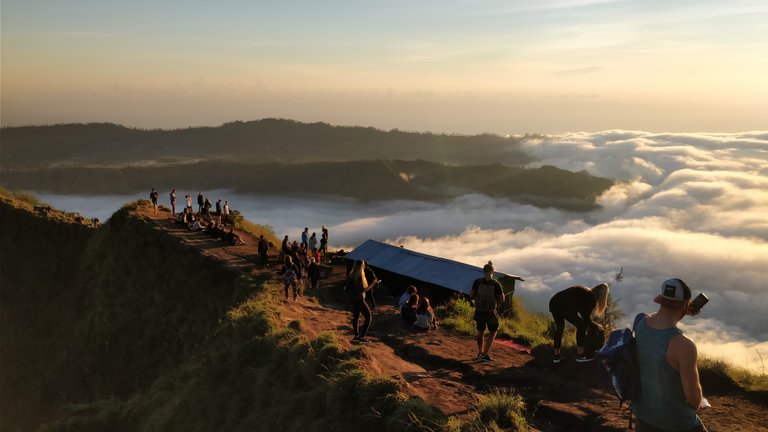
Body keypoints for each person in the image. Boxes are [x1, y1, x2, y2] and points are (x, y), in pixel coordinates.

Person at [633, 279, 708, 432]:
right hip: (676, 423)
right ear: (686, 304)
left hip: (644, 418)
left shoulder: (639, 322)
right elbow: (694, 399)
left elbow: (657, 320)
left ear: (661, 300)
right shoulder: (684, 345)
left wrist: (682, 311)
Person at [549, 283, 609, 363]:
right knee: (582, 326)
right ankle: (580, 355)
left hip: (554, 302)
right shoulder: (590, 298)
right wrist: (597, 326)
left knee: (560, 328)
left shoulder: (585, 293)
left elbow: (582, 313)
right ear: (602, 296)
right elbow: (586, 319)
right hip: (564, 306)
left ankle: (556, 356)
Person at [470, 261, 504, 361]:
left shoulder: (477, 282)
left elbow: (471, 295)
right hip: (491, 312)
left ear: (483, 271)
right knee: (493, 332)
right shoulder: (496, 284)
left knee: (480, 332)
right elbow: (502, 299)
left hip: (479, 310)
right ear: (492, 272)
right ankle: (485, 353)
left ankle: (480, 352)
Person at [346, 260, 379, 344]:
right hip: (359, 299)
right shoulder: (359, 277)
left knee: (356, 317)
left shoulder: (352, 274)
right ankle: (362, 337)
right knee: (368, 317)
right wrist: (373, 284)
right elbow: (362, 290)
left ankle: (356, 336)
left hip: (353, 299)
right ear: (361, 266)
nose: (364, 266)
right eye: (363, 265)